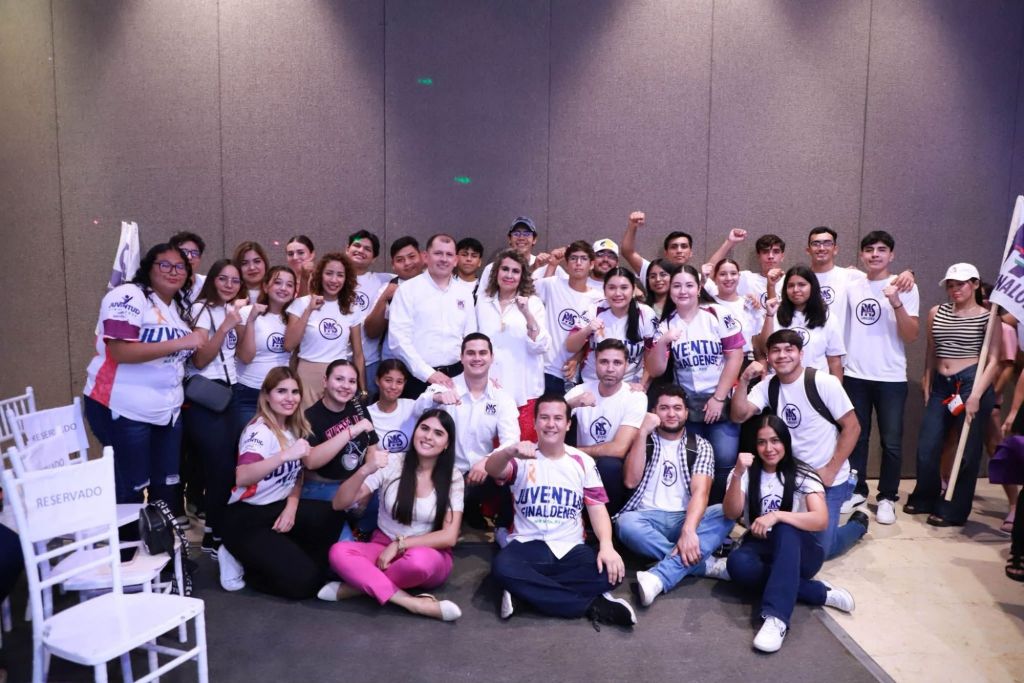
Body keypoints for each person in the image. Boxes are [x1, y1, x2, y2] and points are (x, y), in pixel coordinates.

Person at [486, 394, 636, 628]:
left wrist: (607, 545)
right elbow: (492, 469)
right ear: (535, 422)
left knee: (611, 573)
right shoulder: (521, 457)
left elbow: (597, 509)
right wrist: (508, 452)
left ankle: (524, 594)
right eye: (544, 417)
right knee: (502, 568)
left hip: (570, 547)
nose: (551, 424)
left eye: (557, 418)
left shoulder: (583, 461)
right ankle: (592, 605)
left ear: (568, 424)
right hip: (528, 544)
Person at [83, 243, 206, 511]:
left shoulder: (176, 307)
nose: (173, 271)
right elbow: (120, 352)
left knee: (166, 485)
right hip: (122, 407)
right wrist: (181, 342)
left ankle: (161, 538)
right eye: (165, 265)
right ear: (148, 268)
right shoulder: (128, 295)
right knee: (131, 487)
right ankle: (127, 539)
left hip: (167, 411)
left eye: (180, 267)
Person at [723, 416, 855, 653]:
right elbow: (731, 512)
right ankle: (818, 593)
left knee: (785, 528)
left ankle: (776, 617)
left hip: (801, 551)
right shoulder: (746, 472)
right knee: (736, 564)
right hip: (761, 545)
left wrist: (778, 516)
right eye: (762, 442)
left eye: (775, 441)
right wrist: (737, 474)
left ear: (785, 441)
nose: (769, 448)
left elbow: (821, 520)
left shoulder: (803, 473)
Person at [731, 330, 866, 559]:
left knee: (820, 551)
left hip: (826, 477)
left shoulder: (824, 382)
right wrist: (743, 380)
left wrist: (831, 470)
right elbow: (738, 415)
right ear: (768, 356)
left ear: (801, 354)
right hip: (791, 478)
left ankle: (858, 524)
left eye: (789, 349)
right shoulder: (768, 386)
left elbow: (853, 428)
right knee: (786, 541)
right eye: (776, 350)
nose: (782, 355)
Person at [322, 410, 464, 622]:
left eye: (438, 433)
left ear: (446, 444)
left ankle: (357, 587)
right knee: (338, 552)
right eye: (424, 428)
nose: (428, 436)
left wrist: (400, 545)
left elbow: (449, 536)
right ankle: (413, 603)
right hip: (382, 546)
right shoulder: (393, 462)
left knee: (418, 563)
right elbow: (339, 503)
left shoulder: (453, 476)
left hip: (428, 552)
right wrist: (365, 470)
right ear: (415, 431)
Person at [217, 367, 345, 599]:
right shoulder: (259, 431)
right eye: (281, 391)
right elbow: (243, 476)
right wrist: (284, 456)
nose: (290, 398)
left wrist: (292, 506)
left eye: (295, 392)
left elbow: (297, 475)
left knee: (330, 514)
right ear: (266, 395)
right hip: (246, 517)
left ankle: (295, 563)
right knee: (305, 585)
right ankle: (238, 558)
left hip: (276, 507)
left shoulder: (294, 428)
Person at [617, 385, 735, 606]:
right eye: (664, 408)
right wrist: (641, 433)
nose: (671, 413)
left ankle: (660, 575)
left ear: (686, 413)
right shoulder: (643, 439)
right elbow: (630, 481)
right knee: (625, 524)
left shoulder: (701, 446)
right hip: (645, 519)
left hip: (683, 518)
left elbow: (701, 492)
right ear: (654, 412)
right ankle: (704, 565)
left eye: (677, 408)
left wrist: (689, 530)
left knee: (726, 512)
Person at [905, 263, 1001, 526]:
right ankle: (925, 496)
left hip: (971, 383)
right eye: (950, 285)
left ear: (975, 284)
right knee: (927, 445)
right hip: (942, 384)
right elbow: (931, 350)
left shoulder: (988, 317)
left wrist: (976, 395)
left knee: (967, 451)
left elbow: (994, 360)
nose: (955, 289)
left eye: (961, 284)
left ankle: (954, 509)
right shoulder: (937, 312)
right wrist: (927, 378)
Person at [646, 265, 744, 503]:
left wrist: (718, 398)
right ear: (670, 290)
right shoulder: (666, 324)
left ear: (699, 288)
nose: (683, 291)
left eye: (689, 285)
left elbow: (735, 356)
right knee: (693, 459)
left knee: (724, 458)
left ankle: (721, 511)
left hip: (720, 398)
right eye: (677, 286)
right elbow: (656, 369)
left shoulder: (717, 313)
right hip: (688, 405)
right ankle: (695, 511)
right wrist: (663, 342)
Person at [842, 231, 920, 523]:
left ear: (891, 255)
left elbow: (911, 335)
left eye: (881, 249)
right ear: (862, 254)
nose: (875, 254)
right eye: (869, 249)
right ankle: (857, 490)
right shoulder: (852, 285)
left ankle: (887, 497)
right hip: (855, 374)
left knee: (892, 442)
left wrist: (896, 302)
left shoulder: (905, 286)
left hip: (890, 376)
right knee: (857, 437)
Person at [421, 333, 520, 532]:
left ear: (491, 357)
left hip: (482, 472)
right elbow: (417, 408)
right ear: (461, 357)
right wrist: (437, 398)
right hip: (445, 470)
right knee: (438, 522)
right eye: (471, 353)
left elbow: (511, 440)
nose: (477, 358)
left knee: (513, 469)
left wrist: (488, 461)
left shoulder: (502, 397)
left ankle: (504, 531)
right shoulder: (445, 386)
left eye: (482, 353)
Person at [183, 258, 246, 555]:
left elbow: (242, 354)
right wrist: (225, 326)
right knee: (218, 468)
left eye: (235, 280)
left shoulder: (229, 310)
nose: (229, 285)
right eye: (223, 279)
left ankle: (216, 530)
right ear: (212, 280)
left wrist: (240, 322)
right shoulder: (201, 309)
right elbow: (199, 360)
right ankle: (213, 534)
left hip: (230, 392)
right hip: (206, 395)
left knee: (228, 466)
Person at [388, 234, 477, 398]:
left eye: (449, 254)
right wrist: (428, 373)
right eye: (438, 253)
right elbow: (398, 341)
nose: (444, 259)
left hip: (457, 376)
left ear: (455, 260)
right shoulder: (407, 291)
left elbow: (471, 339)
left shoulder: (464, 294)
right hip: (417, 377)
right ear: (425, 257)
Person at [565, 339, 646, 515]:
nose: (610, 368)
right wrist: (572, 404)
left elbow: (619, 449)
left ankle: (610, 522)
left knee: (609, 465)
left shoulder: (635, 397)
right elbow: (548, 420)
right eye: (604, 362)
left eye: (617, 362)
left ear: (626, 365)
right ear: (595, 363)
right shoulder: (580, 391)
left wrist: (573, 451)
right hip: (582, 464)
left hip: (615, 468)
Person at [476, 249, 550, 438]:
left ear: (522, 276)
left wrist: (526, 313)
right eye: (505, 269)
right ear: (496, 272)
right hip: (489, 389)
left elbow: (541, 346)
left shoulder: (533, 303)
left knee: (522, 449)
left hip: (524, 390)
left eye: (515, 271)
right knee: (490, 449)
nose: (509, 275)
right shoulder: (483, 302)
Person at [285, 252, 365, 409]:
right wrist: (309, 310)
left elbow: (358, 354)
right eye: (329, 273)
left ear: (346, 279)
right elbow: (289, 345)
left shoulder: (352, 308)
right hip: (307, 375)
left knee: (337, 422)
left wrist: (362, 389)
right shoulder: (302, 303)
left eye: (340, 275)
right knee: (306, 422)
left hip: (340, 377)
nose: (334, 280)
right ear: (320, 275)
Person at [302, 360, 380, 511]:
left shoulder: (357, 405)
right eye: (339, 379)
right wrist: (351, 431)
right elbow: (310, 461)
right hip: (324, 485)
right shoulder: (310, 417)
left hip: (358, 480)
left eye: (352, 381)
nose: (346, 386)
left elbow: (372, 445)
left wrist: (364, 480)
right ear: (325, 381)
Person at [534, 240, 604, 395]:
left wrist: (578, 357)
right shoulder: (553, 284)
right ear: (566, 264)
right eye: (573, 258)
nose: (578, 263)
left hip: (570, 374)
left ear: (592, 264)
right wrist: (552, 265)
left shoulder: (598, 299)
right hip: (542, 368)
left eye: (583, 259)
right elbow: (532, 294)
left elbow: (593, 338)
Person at [567, 267, 656, 387]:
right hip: (592, 382)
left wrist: (643, 385)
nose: (618, 293)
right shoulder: (595, 309)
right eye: (612, 288)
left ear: (633, 289)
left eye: (624, 288)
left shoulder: (646, 313)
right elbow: (570, 346)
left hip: (629, 386)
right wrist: (587, 330)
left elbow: (651, 354)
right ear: (604, 290)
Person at [234, 265, 297, 434]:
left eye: (289, 284)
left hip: (282, 395)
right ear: (266, 286)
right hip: (249, 392)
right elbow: (245, 357)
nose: (283, 288)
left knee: (278, 445)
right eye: (278, 282)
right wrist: (251, 321)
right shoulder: (247, 312)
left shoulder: (294, 318)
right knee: (249, 444)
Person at [755, 265, 844, 378]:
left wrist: (836, 388)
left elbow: (834, 361)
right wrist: (769, 316)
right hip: (781, 381)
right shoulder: (775, 313)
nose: (796, 290)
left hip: (815, 382)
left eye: (802, 285)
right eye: (791, 286)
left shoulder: (828, 317)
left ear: (812, 287)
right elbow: (765, 349)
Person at [363, 236, 425, 363]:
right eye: (400, 260)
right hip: (395, 362)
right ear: (393, 265)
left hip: (428, 360)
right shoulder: (387, 289)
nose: (407, 263)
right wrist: (384, 298)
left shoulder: (436, 284)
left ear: (422, 256)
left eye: (412, 256)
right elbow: (371, 332)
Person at [346, 229, 392, 400]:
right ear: (347, 249)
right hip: (335, 360)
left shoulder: (384, 280)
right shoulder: (332, 278)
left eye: (367, 249)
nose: (361, 250)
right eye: (356, 245)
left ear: (374, 258)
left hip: (370, 363)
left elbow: (412, 276)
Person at [703, 229, 785, 309]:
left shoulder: (789, 282)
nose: (770, 256)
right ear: (758, 256)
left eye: (776, 252)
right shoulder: (747, 278)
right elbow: (709, 274)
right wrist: (729, 242)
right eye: (765, 252)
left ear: (782, 256)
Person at [705, 258, 763, 364]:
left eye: (733, 273)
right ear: (715, 278)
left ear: (739, 276)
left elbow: (757, 341)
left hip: (745, 362)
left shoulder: (750, 304)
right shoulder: (708, 306)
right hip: (717, 363)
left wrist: (761, 364)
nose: (729, 278)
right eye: (723, 274)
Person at [620, 210, 694, 283]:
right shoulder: (653, 273)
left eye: (684, 246)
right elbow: (627, 252)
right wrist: (632, 225)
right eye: (673, 247)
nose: (679, 251)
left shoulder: (697, 279)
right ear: (666, 253)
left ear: (691, 253)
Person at [170, 230, 207, 305]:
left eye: (194, 253)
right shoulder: (164, 285)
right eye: (184, 252)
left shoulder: (208, 283)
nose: (189, 257)